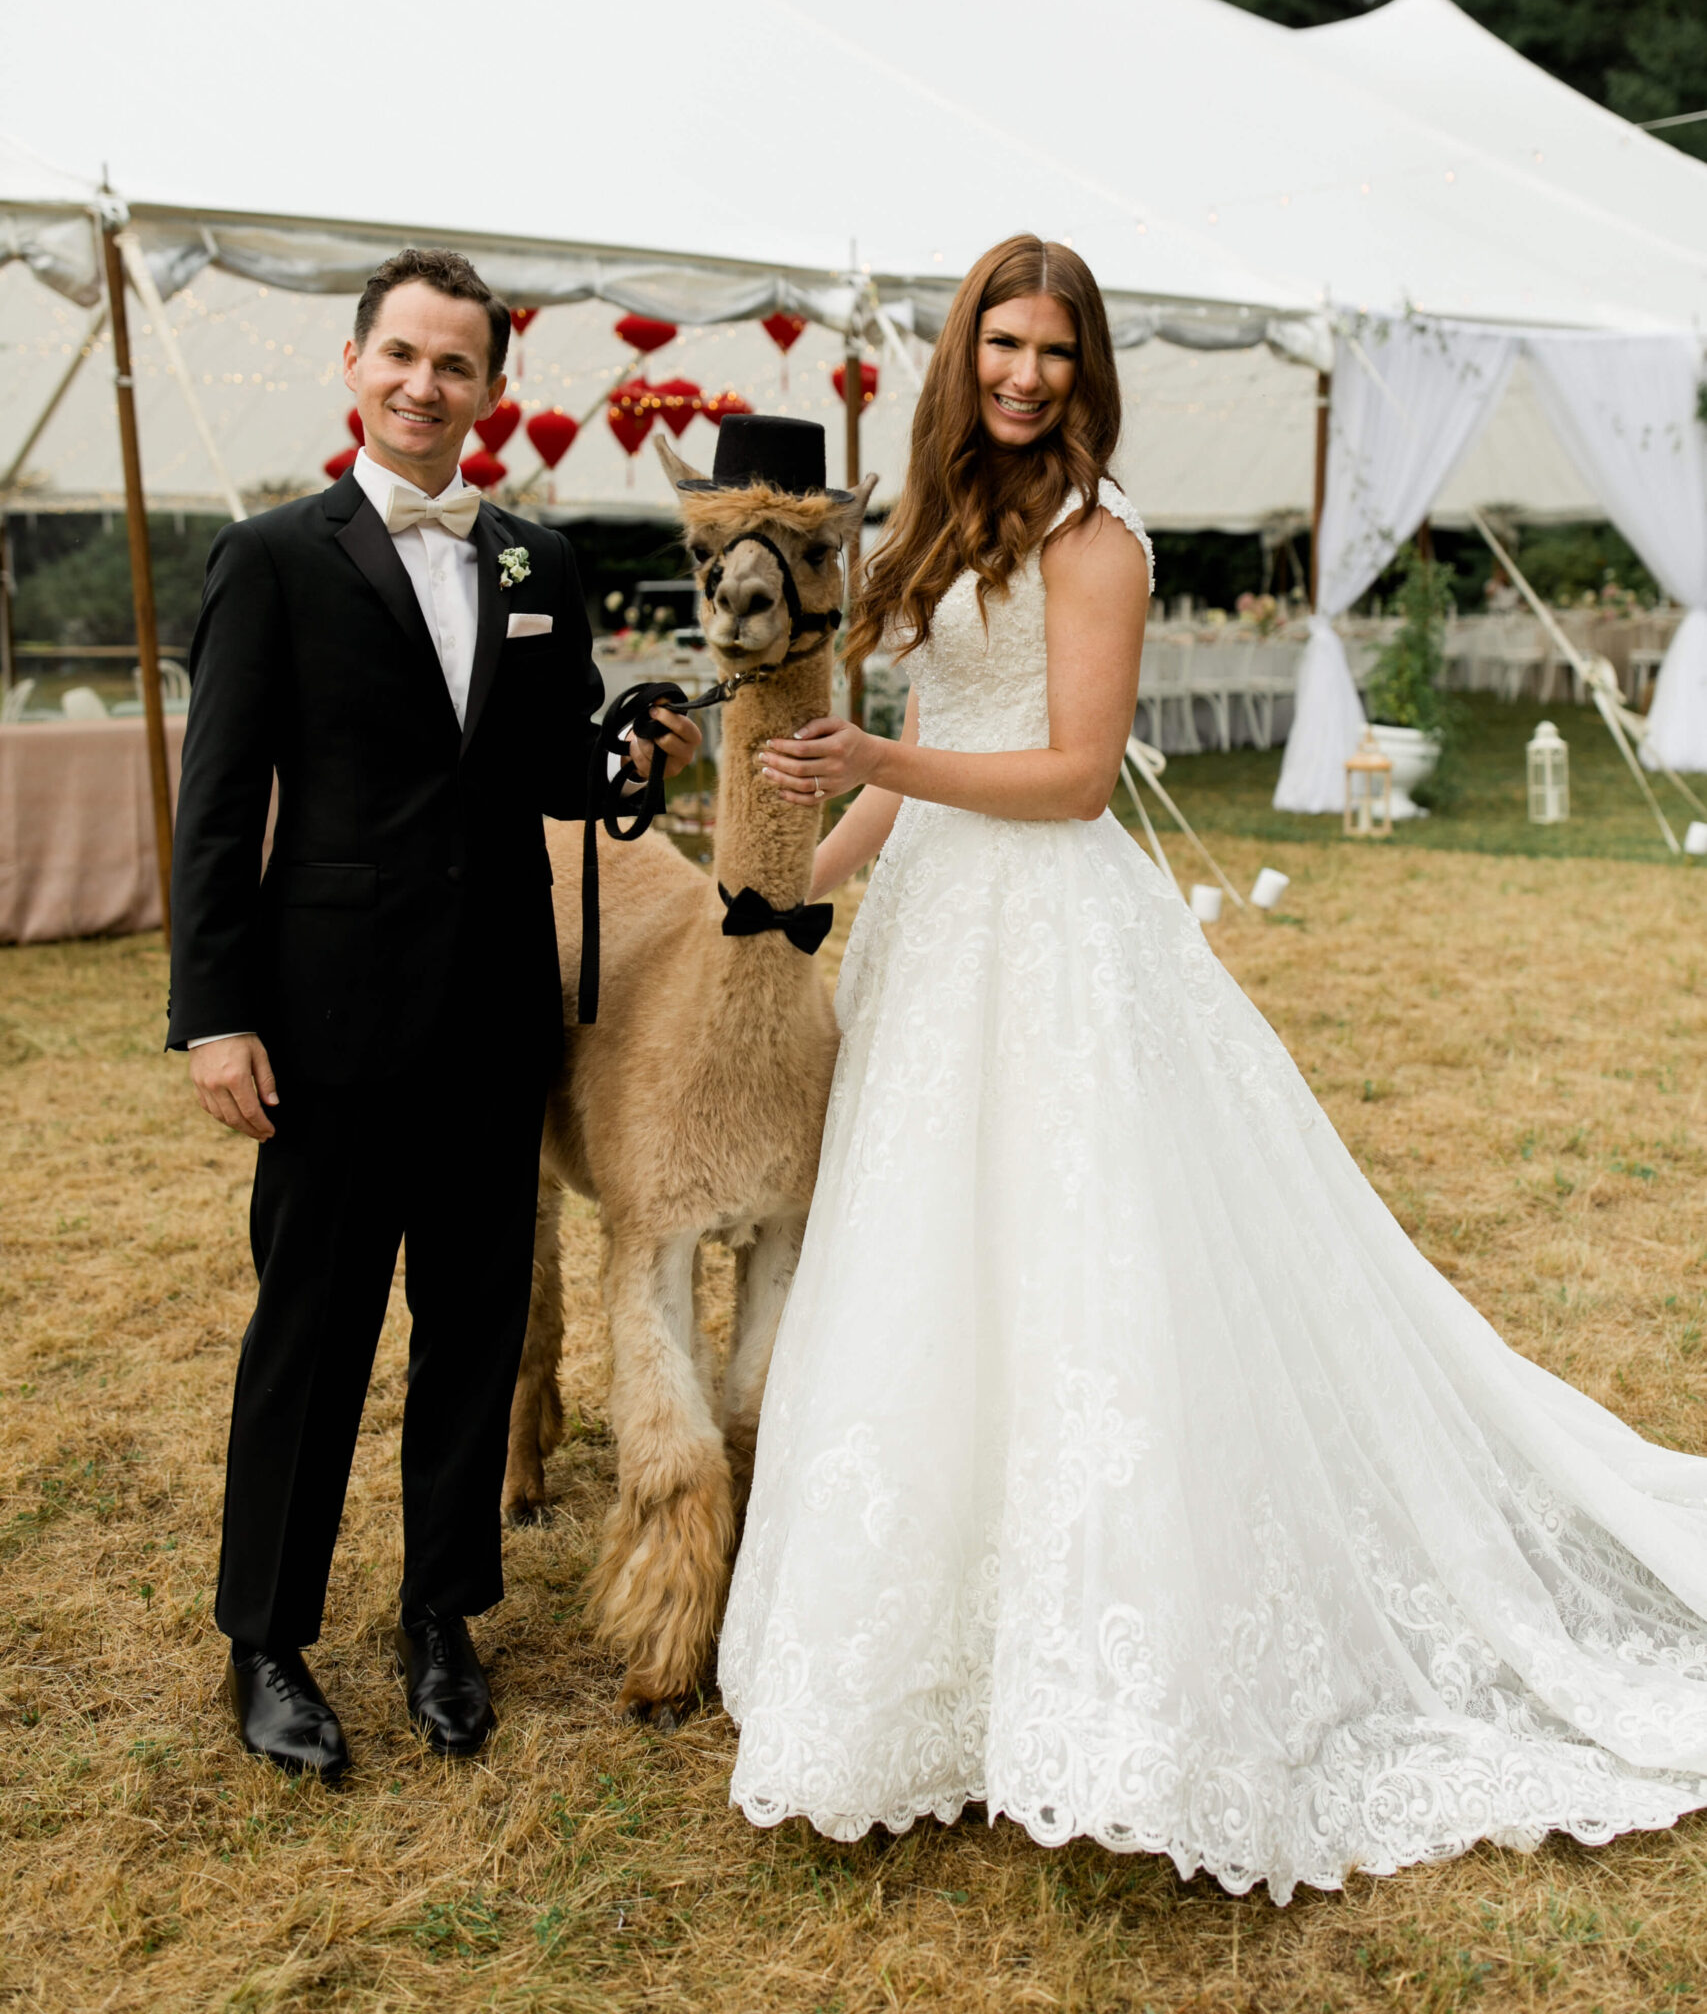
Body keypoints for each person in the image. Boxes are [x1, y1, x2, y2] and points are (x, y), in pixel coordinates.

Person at [718, 232, 1707, 1904]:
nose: (1022, 375)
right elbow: (922, 764)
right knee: (931, 1279)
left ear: (1086, 370)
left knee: (1085, 1277)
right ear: (963, 358)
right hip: (940, 933)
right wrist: (789, 874)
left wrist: (885, 752)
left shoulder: (1102, 542)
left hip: (1051, 933)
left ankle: (1115, 1686)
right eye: (1000, 346)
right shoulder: (939, 526)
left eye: (1052, 351)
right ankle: (923, 1667)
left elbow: (1073, 775)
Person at [169, 246, 697, 1783]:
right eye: (400, 354)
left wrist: (629, 752)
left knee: (474, 1330)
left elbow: (550, 770)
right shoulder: (271, 559)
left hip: (495, 1016)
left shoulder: (536, 562)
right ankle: (265, 1639)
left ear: (490, 388)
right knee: (312, 1336)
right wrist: (216, 1015)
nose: (424, 384)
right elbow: (217, 810)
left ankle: (442, 1618)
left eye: (454, 364)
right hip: (323, 1027)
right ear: (353, 367)